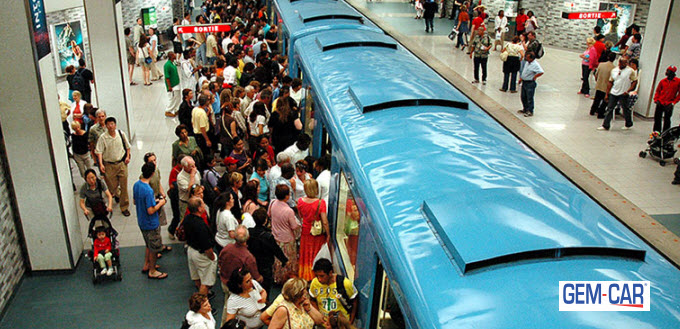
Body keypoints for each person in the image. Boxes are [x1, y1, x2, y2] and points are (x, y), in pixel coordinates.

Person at [218, 225, 263, 325]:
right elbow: (256, 276)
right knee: (239, 310)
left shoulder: (227, 248)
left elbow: (220, 261)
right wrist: (260, 279)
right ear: (248, 237)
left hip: (225, 282)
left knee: (228, 308)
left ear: (234, 236)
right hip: (238, 289)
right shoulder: (248, 257)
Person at [133, 162, 168, 279]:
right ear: (153, 174)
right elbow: (151, 210)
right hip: (151, 223)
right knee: (154, 248)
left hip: (141, 221)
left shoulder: (136, 185)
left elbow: (135, 201)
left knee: (148, 244)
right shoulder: (148, 190)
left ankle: (147, 264)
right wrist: (161, 203)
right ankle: (152, 270)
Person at [95, 117, 131, 216]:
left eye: (112, 124)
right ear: (106, 126)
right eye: (109, 124)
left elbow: (127, 147)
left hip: (121, 164)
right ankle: (117, 194)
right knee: (112, 187)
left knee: (124, 186)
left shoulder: (121, 134)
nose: (111, 126)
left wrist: (127, 157)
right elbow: (99, 152)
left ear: (115, 125)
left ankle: (124, 207)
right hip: (109, 165)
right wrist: (101, 164)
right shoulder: (103, 137)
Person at [248, 208, 287, 295]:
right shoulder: (268, 236)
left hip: (252, 264)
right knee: (265, 290)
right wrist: (284, 260)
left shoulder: (249, 232)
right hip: (265, 265)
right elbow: (276, 249)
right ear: (265, 220)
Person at [297, 179, 329, 281]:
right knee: (316, 254)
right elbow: (324, 221)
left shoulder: (300, 201)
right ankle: (315, 276)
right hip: (317, 234)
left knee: (305, 254)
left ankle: (305, 275)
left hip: (305, 232)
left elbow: (301, 215)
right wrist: (328, 234)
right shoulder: (321, 203)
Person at [185, 197, 217, 295]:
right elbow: (207, 247)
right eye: (202, 204)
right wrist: (212, 257)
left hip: (191, 250)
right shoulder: (201, 225)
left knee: (196, 276)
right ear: (199, 209)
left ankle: (202, 292)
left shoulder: (187, 218)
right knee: (206, 282)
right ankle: (203, 301)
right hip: (201, 254)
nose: (204, 205)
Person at [598, 57, 637, 131]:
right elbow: (610, 82)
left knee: (625, 108)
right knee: (610, 108)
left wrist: (628, 90)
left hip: (623, 93)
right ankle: (605, 125)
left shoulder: (630, 71)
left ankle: (628, 123)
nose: (623, 64)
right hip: (614, 92)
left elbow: (634, 81)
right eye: (621, 63)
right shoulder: (614, 70)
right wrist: (607, 93)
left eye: (625, 63)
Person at [653, 66, 680, 133]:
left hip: (669, 104)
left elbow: (679, 94)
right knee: (657, 118)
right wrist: (656, 100)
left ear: (672, 73)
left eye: (668, 71)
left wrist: (673, 103)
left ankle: (666, 133)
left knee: (667, 119)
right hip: (660, 102)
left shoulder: (678, 82)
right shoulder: (663, 81)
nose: (666, 72)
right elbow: (658, 91)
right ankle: (656, 132)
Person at [517, 52, 544, 117]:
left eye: (527, 57)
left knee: (529, 97)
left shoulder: (535, 65)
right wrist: (521, 78)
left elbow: (541, 72)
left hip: (530, 83)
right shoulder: (527, 63)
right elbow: (524, 71)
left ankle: (530, 111)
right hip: (524, 82)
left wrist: (535, 77)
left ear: (531, 58)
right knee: (523, 97)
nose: (526, 58)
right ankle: (525, 109)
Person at [590, 52, 616, 118]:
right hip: (607, 87)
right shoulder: (614, 68)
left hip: (599, 84)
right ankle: (600, 113)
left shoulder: (601, 64)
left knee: (597, 99)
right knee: (605, 101)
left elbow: (596, 75)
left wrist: (597, 81)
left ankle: (592, 111)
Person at [165, 51, 182, 117]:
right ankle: (168, 110)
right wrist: (169, 86)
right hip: (172, 85)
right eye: (174, 54)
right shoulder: (167, 65)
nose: (175, 55)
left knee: (178, 97)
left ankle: (176, 109)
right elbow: (167, 77)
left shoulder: (173, 63)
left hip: (176, 83)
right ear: (171, 56)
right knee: (173, 98)